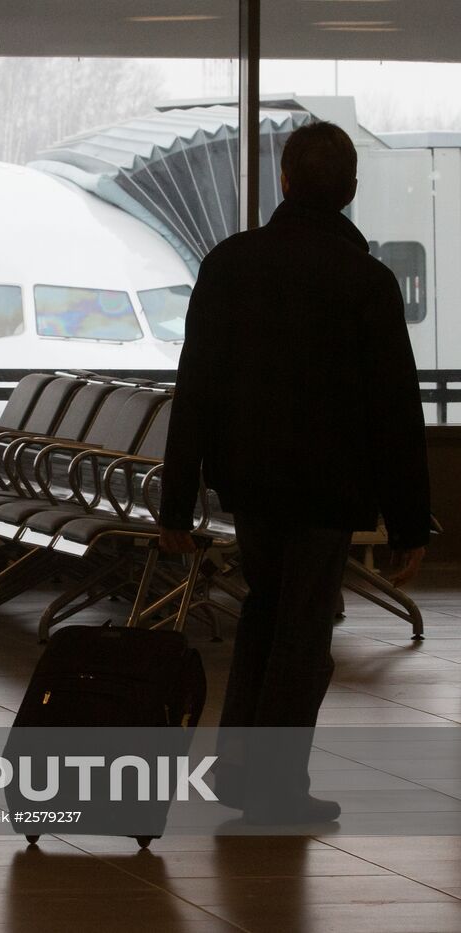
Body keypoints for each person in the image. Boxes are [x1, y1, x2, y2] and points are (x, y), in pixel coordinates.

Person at [157, 122, 431, 824]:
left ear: (282, 181)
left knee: (264, 613)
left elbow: (196, 386)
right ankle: (273, 787)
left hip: (248, 481)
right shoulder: (365, 281)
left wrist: (175, 503)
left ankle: (241, 771)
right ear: (350, 192)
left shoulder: (229, 264)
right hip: (328, 490)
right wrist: (408, 519)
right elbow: (394, 407)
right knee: (302, 634)